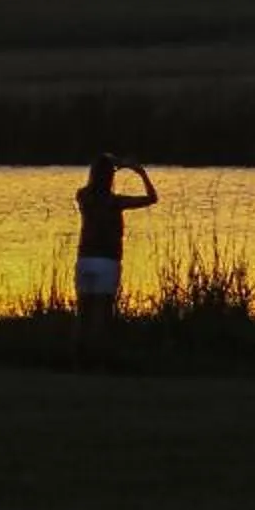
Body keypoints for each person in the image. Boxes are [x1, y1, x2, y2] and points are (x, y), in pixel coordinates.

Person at [72, 153, 157, 367]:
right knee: (103, 312)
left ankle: (79, 358)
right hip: (108, 261)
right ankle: (100, 359)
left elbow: (93, 187)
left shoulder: (83, 196)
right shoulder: (116, 202)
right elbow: (151, 198)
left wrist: (110, 166)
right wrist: (139, 172)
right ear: (111, 176)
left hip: (85, 259)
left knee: (83, 312)